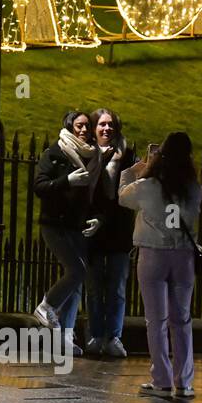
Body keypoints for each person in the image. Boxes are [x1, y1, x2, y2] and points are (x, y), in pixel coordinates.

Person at [118, 132, 202, 398]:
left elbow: (122, 196)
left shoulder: (147, 185)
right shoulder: (194, 189)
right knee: (182, 319)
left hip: (153, 255)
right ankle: (185, 382)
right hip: (183, 257)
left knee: (156, 320)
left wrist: (135, 170)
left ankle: (162, 380)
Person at [31, 110, 103, 356]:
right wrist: (67, 181)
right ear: (70, 127)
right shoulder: (56, 152)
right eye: (79, 126)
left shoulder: (94, 157)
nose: (83, 130)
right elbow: (39, 186)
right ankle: (46, 305)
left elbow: (95, 195)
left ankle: (64, 337)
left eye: (87, 126)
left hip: (78, 225)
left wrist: (97, 219)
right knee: (77, 271)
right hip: (54, 223)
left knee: (75, 282)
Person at [84, 108, 137, 358]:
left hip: (118, 230)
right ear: (95, 129)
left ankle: (114, 336)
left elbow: (128, 194)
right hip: (93, 230)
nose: (107, 129)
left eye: (111, 125)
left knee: (116, 286)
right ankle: (95, 335)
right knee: (94, 286)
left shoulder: (127, 157)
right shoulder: (88, 155)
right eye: (102, 124)